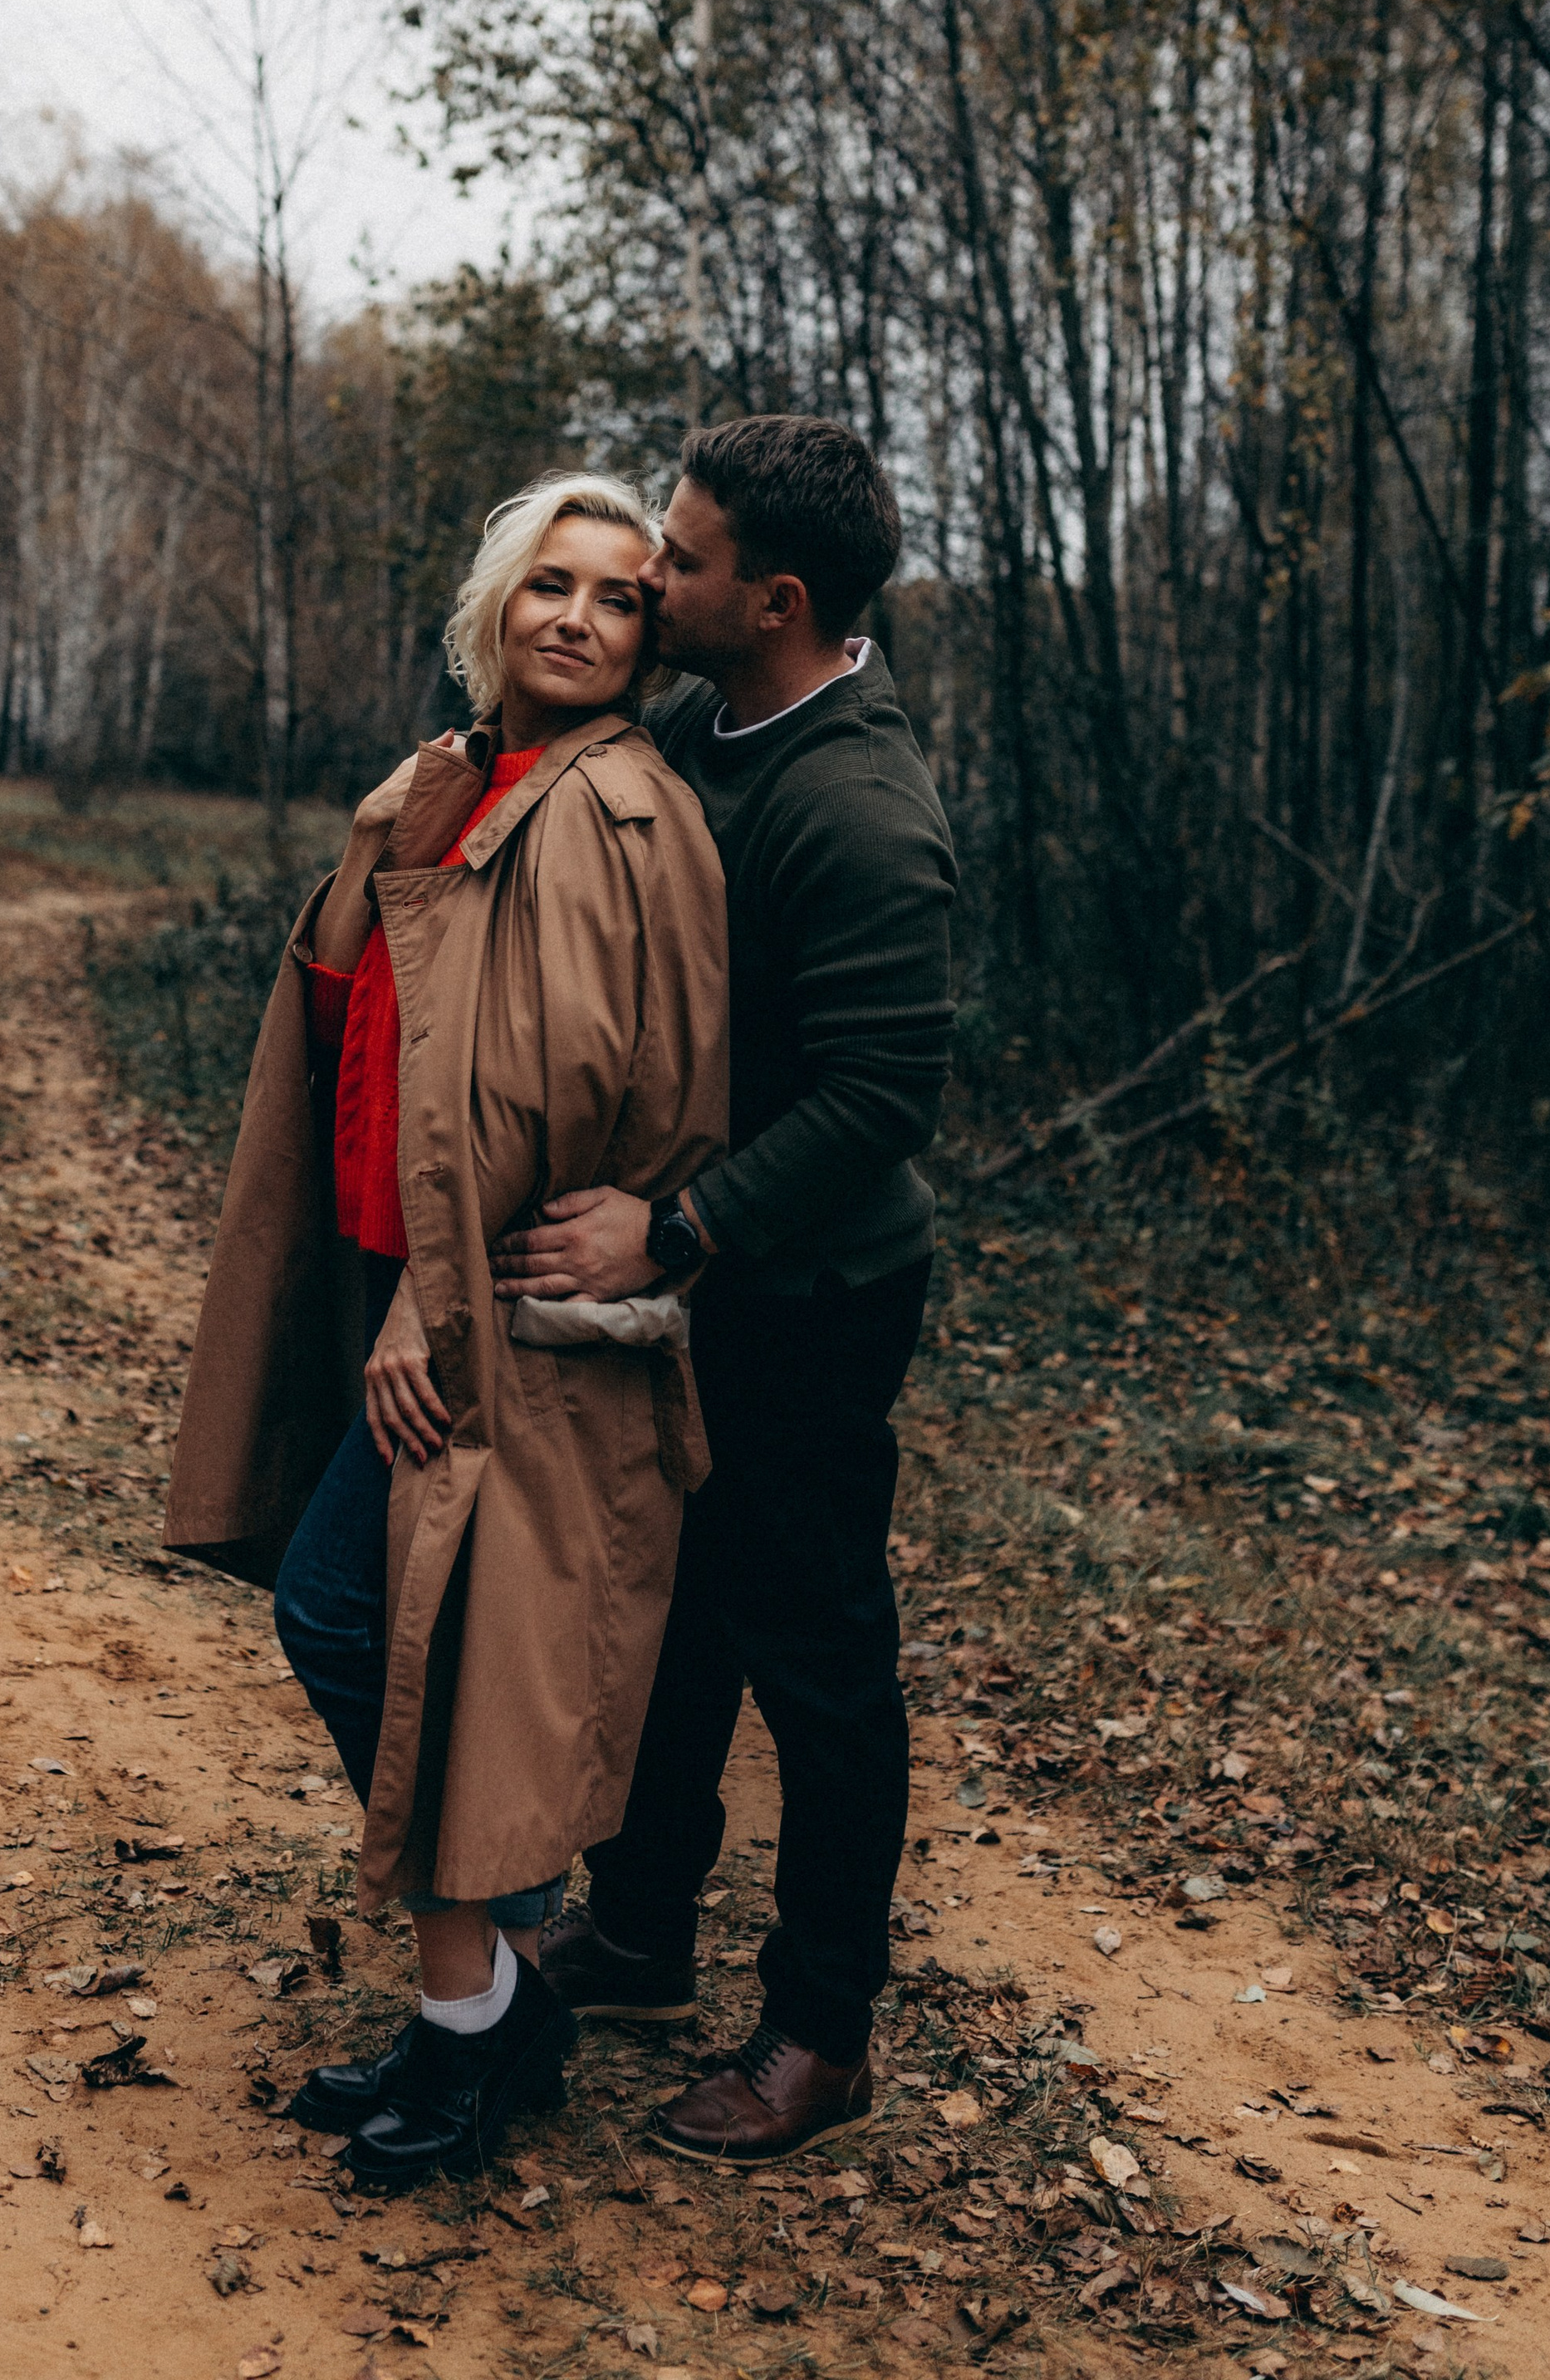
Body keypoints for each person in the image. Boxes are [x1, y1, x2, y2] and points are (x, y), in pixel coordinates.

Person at [162, 472, 728, 2193]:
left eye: (617, 597)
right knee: (403, 1649)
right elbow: (363, 1024)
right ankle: (481, 2007)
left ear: (649, 636)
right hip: (399, 1287)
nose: (573, 617)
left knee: (377, 1636)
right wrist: (366, 848)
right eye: (545, 584)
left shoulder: (604, 809)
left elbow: (564, 1092)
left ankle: (482, 2025)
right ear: (494, 602)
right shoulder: (472, 786)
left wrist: (432, 1290)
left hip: (499, 1322)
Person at [490, 415, 956, 2167]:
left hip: (813, 1290)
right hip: (711, 1281)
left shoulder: (854, 807)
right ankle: (639, 1931)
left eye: (676, 561)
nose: (648, 578)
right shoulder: (704, 729)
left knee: (815, 1653)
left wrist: (671, 1232)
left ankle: (820, 2033)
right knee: (669, 1613)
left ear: (768, 597)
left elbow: (878, 1103)